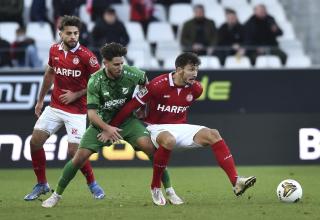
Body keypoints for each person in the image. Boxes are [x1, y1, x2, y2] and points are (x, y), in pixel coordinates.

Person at [41, 42, 182, 208]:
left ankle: (169, 191)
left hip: (128, 122)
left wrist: (144, 107)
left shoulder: (133, 73)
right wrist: (108, 129)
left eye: (122, 63)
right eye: (116, 64)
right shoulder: (95, 81)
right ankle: (56, 195)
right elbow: (91, 114)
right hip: (102, 124)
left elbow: (147, 86)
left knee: (152, 149)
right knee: (78, 158)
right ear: (105, 63)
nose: (120, 67)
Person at [108, 52, 256, 206]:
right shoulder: (158, 85)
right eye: (191, 69)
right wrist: (112, 126)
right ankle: (155, 187)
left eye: (196, 70)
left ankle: (236, 181)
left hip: (181, 127)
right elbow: (132, 105)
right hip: (155, 127)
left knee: (214, 134)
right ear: (179, 69)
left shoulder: (196, 89)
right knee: (169, 140)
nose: (195, 74)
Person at [24, 15, 105, 201]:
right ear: (60, 33)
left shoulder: (88, 57)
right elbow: (49, 74)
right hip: (54, 106)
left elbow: (98, 85)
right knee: (34, 142)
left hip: (77, 111)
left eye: (76, 33)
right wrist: (39, 101)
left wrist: (75, 95)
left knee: (74, 153)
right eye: (69, 33)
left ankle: (92, 184)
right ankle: (42, 184)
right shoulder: (54, 50)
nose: (73, 37)